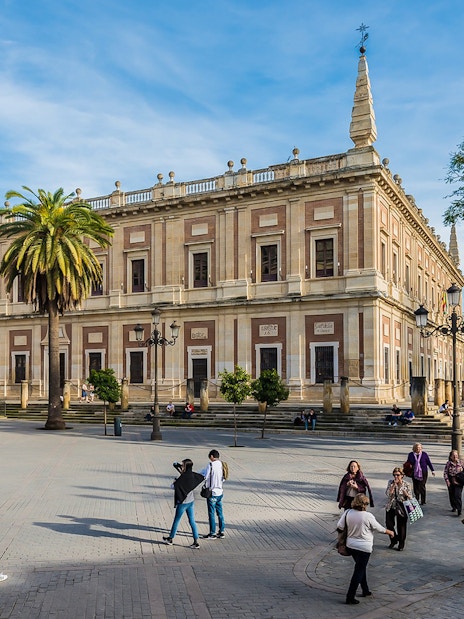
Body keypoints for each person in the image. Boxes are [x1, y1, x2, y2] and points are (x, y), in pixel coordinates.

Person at [337, 493, 394, 605]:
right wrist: (390, 532)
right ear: (364, 504)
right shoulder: (367, 516)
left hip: (351, 545)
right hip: (364, 548)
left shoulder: (348, 512)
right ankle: (350, 596)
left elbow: (340, 526)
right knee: (358, 570)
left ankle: (365, 590)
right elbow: (379, 528)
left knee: (360, 567)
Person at [163, 458, 204, 548]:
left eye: (183, 465)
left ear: (185, 466)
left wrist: (175, 482)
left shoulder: (182, 478)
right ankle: (196, 541)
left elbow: (173, 486)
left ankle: (170, 538)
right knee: (192, 521)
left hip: (182, 503)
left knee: (177, 520)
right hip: (191, 501)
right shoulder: (192, 475)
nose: (181, 466)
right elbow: (200, 477)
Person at [385, 466, 412, 551]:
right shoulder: (391, 482)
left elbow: (411, 497)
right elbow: (387, 494)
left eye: (398, 475)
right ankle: (394, 539)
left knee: (401, 526)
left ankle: (401, 543)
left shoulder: (406, 484)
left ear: (402, 475)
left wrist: (406, 494)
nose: (396, 477)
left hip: (401, 506)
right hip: (391, 505)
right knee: (389, 524)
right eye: (394, 475)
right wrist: (393, 486)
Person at [201, 449, 225, 539]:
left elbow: (205, 477)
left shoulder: (210, 465)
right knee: (220, 512)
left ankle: (212, 533)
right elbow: (224, 478)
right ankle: (221, 531)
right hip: (220, 492)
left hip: (212, 493)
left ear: (211, 456)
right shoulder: (222, 464)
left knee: (211, 513)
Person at [443, 449, 464, 516]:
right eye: (453, 455)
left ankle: (459, 509)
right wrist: (447, 481)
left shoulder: (461, 462)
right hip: (451, 480)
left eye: (456, 455)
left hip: (459, 481)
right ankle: (454, 506)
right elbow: (445, 473)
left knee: (457, 495)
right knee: (452, 495)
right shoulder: (448, 463)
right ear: (451, 456)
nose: (455, 457)